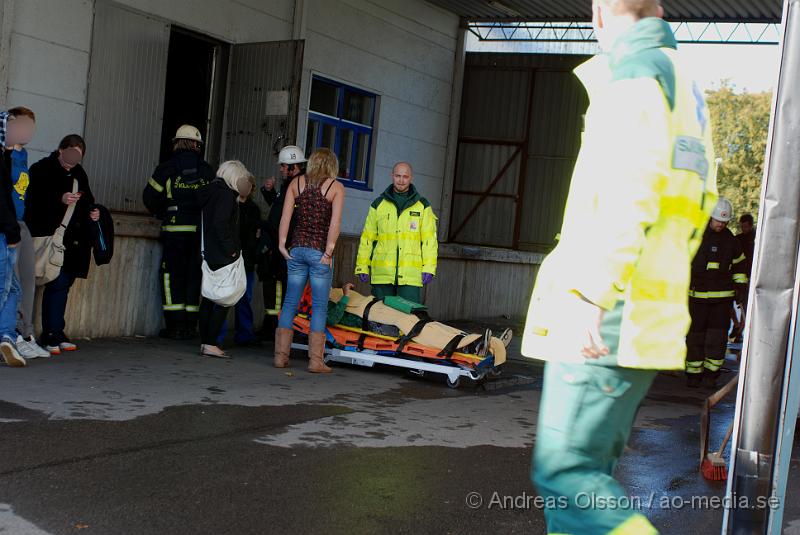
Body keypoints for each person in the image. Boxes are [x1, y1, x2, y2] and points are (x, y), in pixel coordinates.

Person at [520, 1, 716, 533]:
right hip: (640, 311)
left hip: (608, 314)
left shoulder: (635, 77)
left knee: (566, 472)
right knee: (578, 492)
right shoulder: (681, 83)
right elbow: (695, 204)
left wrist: (593, 293)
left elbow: (630, 194)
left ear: (599, 12)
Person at [25, 135, 100, 355]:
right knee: (53, 283)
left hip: (74, 241)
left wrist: (93, 212)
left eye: (78, 155)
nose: (73, 158)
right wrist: (60, 198)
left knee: (63, 284)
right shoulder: (41, 169)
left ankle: (56, 331)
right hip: (49, 237)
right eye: (71, 153)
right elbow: (31, 200)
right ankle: (46, 333)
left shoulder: (79, 174)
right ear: (60, 150)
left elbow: (87, 199)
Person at [273, 148, 345, 373]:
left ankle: (280, 357)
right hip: (319, 253)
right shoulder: (336, 187)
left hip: (296, 249)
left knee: (290, 302)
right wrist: (329, 251)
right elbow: (335, 223)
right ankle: (315, 361)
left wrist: (282, 244)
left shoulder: (296, 183)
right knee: (320, 306)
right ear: (332, 165)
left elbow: (286, 216)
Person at [143, 125, 215, 340]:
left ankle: (174, 326)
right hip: (199, 234)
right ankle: (190, 326)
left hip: (174, 232)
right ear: (196, 144)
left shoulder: (166, 169)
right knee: (195, 276)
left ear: (177, 143)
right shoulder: (207, 171)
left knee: (171, 276)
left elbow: (149, 197)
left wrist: (162, 212)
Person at [685, 198, 748, 388]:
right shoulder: (696, 236)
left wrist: (740, 289)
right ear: (710, 218)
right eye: (717, 220)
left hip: (722, 300)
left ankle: (711, 375)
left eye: (724, 221)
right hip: (697, 298)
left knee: (717, 339)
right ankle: (693, 374)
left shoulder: (732, 242)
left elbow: (739, 267)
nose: (720, 224)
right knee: (695, 337)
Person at [2, 107, 49, 360]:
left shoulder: (24, 154)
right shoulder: (4, 154)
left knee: (27, 282)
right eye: (23, 126)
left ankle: (26, 334)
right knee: (11, 283)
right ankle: (13, 334)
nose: (27, 132)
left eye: (31, 127)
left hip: (21, 222)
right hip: (7, 224)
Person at [355, 162, 438, 303]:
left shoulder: (422, 206)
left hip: (410, 278)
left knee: (407, 320)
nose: (401, 180)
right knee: (380, 319)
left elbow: (429, 240)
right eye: (398, 176)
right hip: (382, 275)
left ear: (411, 178)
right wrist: (362, 266)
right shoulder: (378, 204)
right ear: (392, 176)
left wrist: (429, 267)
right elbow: (367, 238)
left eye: (405, 177)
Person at [197, 160, 253, 359]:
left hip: (208, 252)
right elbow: (221, 223)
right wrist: (232, 251)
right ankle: (211, 343)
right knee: (225, 300)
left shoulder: (210, 192)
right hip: (223, 255)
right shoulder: (226, 196)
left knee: (208, 298)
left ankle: (205, 342)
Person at [257, 145, 306, 341]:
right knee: (275, 287)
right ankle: (273, 327)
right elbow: (280, 210)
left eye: (283, 166)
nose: (281, 169)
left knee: (278, 287)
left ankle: (275, 328)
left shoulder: (298, 186)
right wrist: (268, 193)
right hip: (281, 245)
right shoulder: (290, 185)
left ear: (293, 167)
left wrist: (265, 228)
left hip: (284, 247)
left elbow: (286, 218)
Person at [216, 174, 261, 347]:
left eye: (248, 185)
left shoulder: (253, 209)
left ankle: (244, 334)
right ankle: (217, 336)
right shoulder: (229, 205)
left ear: (251, 189)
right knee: (224, 297)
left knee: (244, 297)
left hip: (246, 259)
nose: (245, 188)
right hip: (229, 257)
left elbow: (254, 236)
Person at [0, 113, 29, 367]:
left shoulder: (9, 158)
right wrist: (11, 232)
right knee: (7, 288)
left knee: (11, 287)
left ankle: (8, 337)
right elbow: (3, 199)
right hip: (4, 232)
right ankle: (6, 337)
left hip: (8, 229)